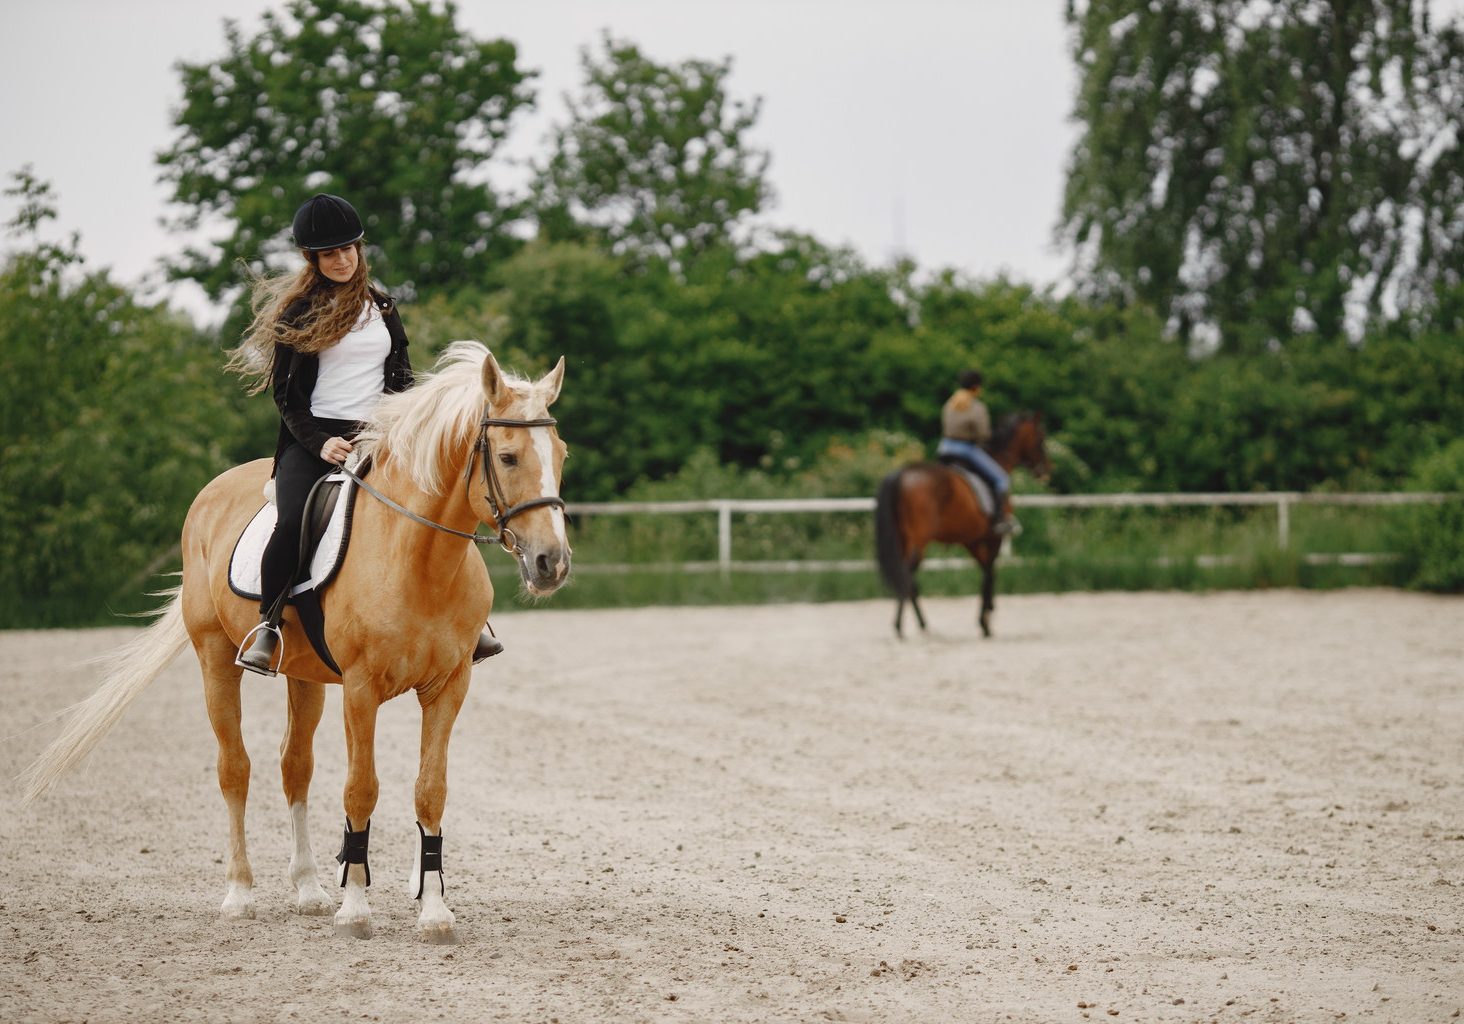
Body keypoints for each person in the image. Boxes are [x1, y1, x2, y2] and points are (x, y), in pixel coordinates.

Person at [231, 193, 502, 674]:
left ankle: (468, 619)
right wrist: (319, 443)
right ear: (312, 260)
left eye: (349, 249)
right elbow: (287, 399)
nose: (342, 259)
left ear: (360, 249)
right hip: (314, 439)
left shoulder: (382, 306)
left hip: (381, 434)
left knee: (443, 503)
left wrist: (405, 428)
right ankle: (269, 624)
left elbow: (399, 379)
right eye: (330, 253)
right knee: (292, 522)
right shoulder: (298, 314)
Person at [936, 369, 1012, 533]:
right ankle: (999, 520)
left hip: (943, 449)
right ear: (976, 387)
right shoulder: (977, 407)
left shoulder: (949, 403)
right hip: (965, 450)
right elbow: (983, 434)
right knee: (1001, 479)